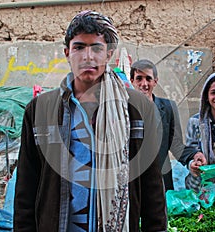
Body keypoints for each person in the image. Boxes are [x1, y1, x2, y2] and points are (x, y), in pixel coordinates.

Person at [14, 10, 167, 232]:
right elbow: (26, 189)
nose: (88, 56)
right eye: (79, 47)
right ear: (67, 53)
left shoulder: (137, 109)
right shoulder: (40, 110)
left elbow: (152, 184)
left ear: (109, 54)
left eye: (96, 47)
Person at [129, 59, 203, 191]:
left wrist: (193, 155)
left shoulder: (168, 108)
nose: (144, 84)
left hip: (161, 179)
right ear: (132, 81)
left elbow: (176, 145)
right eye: (139, 78)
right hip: (133, 181)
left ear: (155, 81)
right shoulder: (125, 109)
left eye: (148, 79)